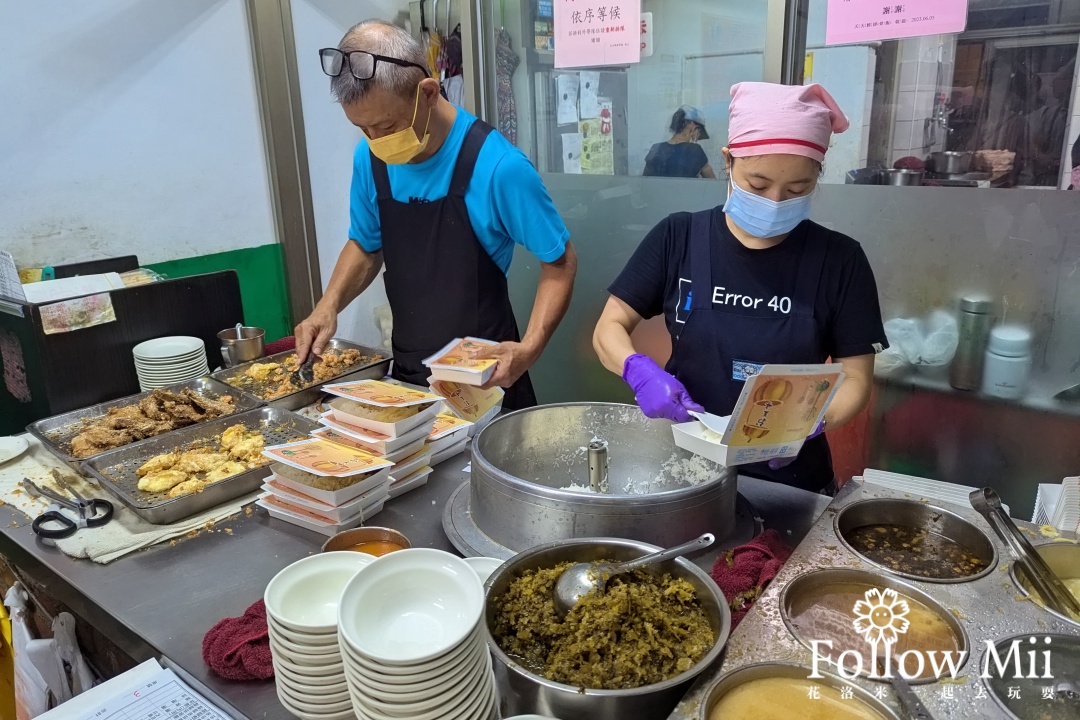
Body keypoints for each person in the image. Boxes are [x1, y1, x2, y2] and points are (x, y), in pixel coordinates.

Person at [593, 83, 888, 494]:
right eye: (758, 183)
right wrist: (637, 370)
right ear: (728, 161)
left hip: (794, 483)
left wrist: (809, 424)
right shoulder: (678, 237)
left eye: (797, 189)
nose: (775, 201)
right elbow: (609, 326)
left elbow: (856, 380)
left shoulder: (840, 260)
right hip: (685, 474)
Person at [296, 20, 577, 410]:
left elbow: (560, 262)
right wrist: (328, 305)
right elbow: (365, 243)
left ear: (427, 93)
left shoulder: (498, 166)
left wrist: (529, 348)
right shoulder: (371, 158)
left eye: (387, 126)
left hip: (486, 384)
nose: (377, 142)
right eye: (363, 129)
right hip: (409, 377)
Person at [643, 106, 717, 179]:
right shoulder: (695, 150)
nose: (697, 136)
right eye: (699, 132)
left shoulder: (655, 148)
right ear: (694, 127)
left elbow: (644, 181)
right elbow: (712, 182)